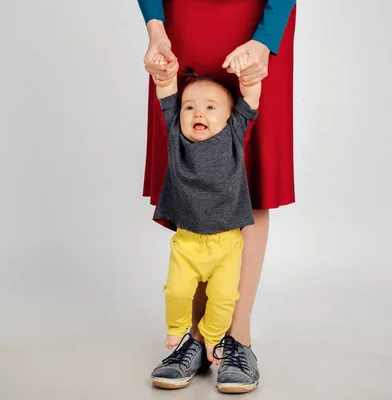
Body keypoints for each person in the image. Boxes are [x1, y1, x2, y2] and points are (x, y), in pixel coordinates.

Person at [137, 0, 297, 394]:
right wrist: (156, 29)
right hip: (181, 22)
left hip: (257, 23)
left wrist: (265, 39)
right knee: (185, 158)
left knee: (254, 175)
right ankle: (194, 337)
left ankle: (236, 339)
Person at [150, 54, 261, 392]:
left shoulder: (234, 134)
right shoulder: (175, 136)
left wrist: (248, 78)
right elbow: (166, 91)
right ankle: (179, 329)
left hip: (227, 243)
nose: (199, 113)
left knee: (225, 296)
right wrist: (164, 73)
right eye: (190, 108)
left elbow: (251, 99)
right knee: (177, 290)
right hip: (187, 242)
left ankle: (213, 339)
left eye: (211, 108)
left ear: (229, 118)